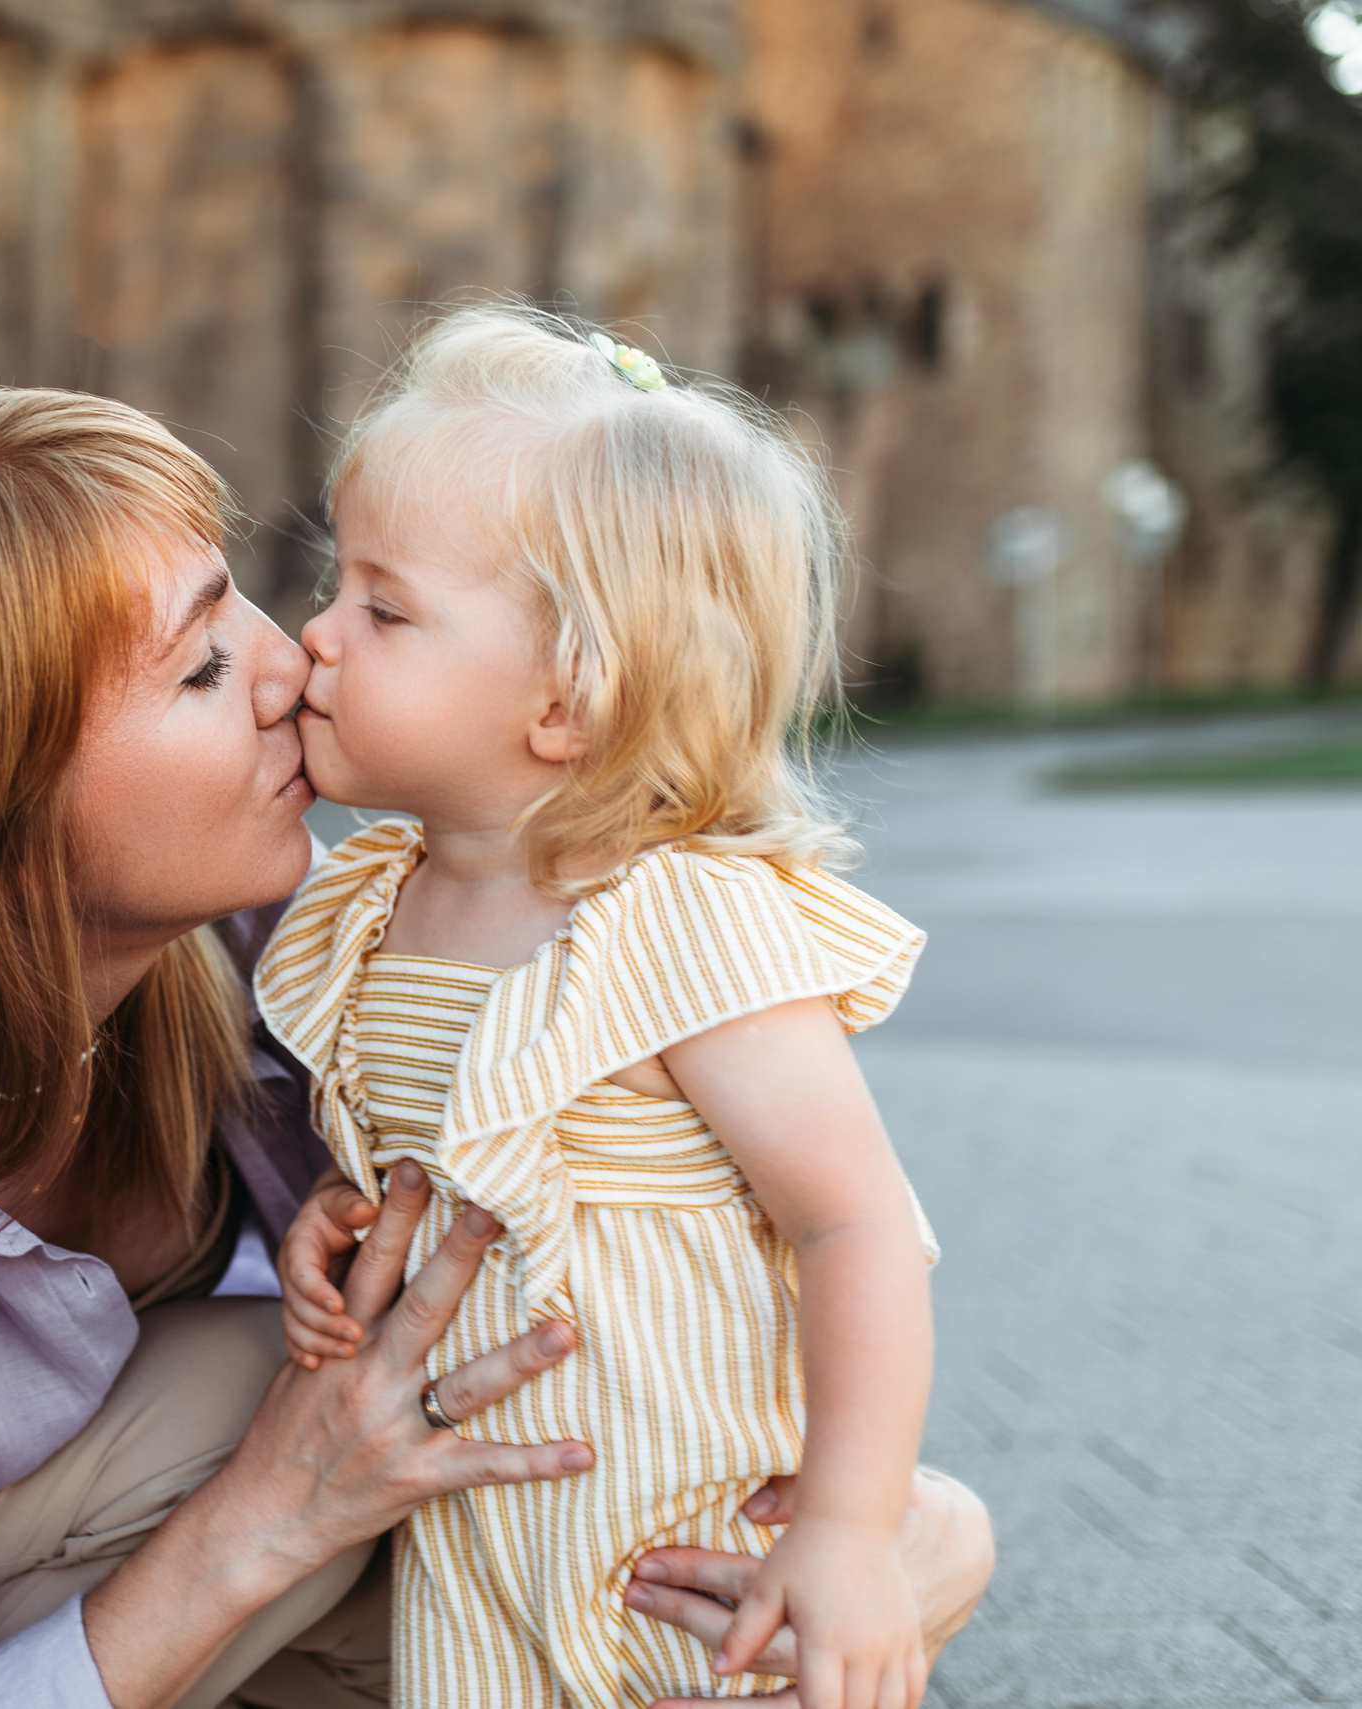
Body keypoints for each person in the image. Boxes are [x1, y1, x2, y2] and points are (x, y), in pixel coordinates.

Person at [0, 386, 993, 1709]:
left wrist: (869, 1532)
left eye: (249, 607)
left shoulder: (313, 947)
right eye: (202, 669)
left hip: (247, 1583)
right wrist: (275, 1511)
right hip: (15, 1636)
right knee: (246, 1392)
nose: (292, 662)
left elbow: (715, 1265)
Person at [260, 304, 940, 1709]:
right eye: (338, 583)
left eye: (384, 609)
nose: (311, 637)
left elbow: (855, 1220)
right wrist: (344, 1213)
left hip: (677, 1540)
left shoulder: (677, 922)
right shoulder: (373, 904)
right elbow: (430, 1151)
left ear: (568, 698)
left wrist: (852, 1532)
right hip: (481, 1545)